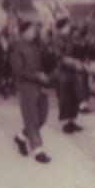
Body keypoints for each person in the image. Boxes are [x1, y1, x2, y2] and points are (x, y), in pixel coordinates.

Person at [10, 20, 56, 163]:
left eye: (34, 30)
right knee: (32, 117)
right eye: (31, 30)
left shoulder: (36, 46)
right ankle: (38, 150)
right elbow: (18, 70)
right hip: (27, 85)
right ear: (23, 32)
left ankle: (21, 137)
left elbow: (46, 62)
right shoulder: (17, 47)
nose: (34, 32)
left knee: (42, 116)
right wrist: (36, 75)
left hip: (40, 84)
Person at [55, 19, 84, 133]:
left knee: (75, 95)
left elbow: (77, 50)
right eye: (67, 26)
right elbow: (58, 56)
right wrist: (72, 62)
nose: (69, 28)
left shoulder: (70, 38)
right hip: (62, 70)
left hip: (73, 70)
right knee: (64, 96)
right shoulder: (57, 39)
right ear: (61, 27)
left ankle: (73, 120)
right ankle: (66, 122)